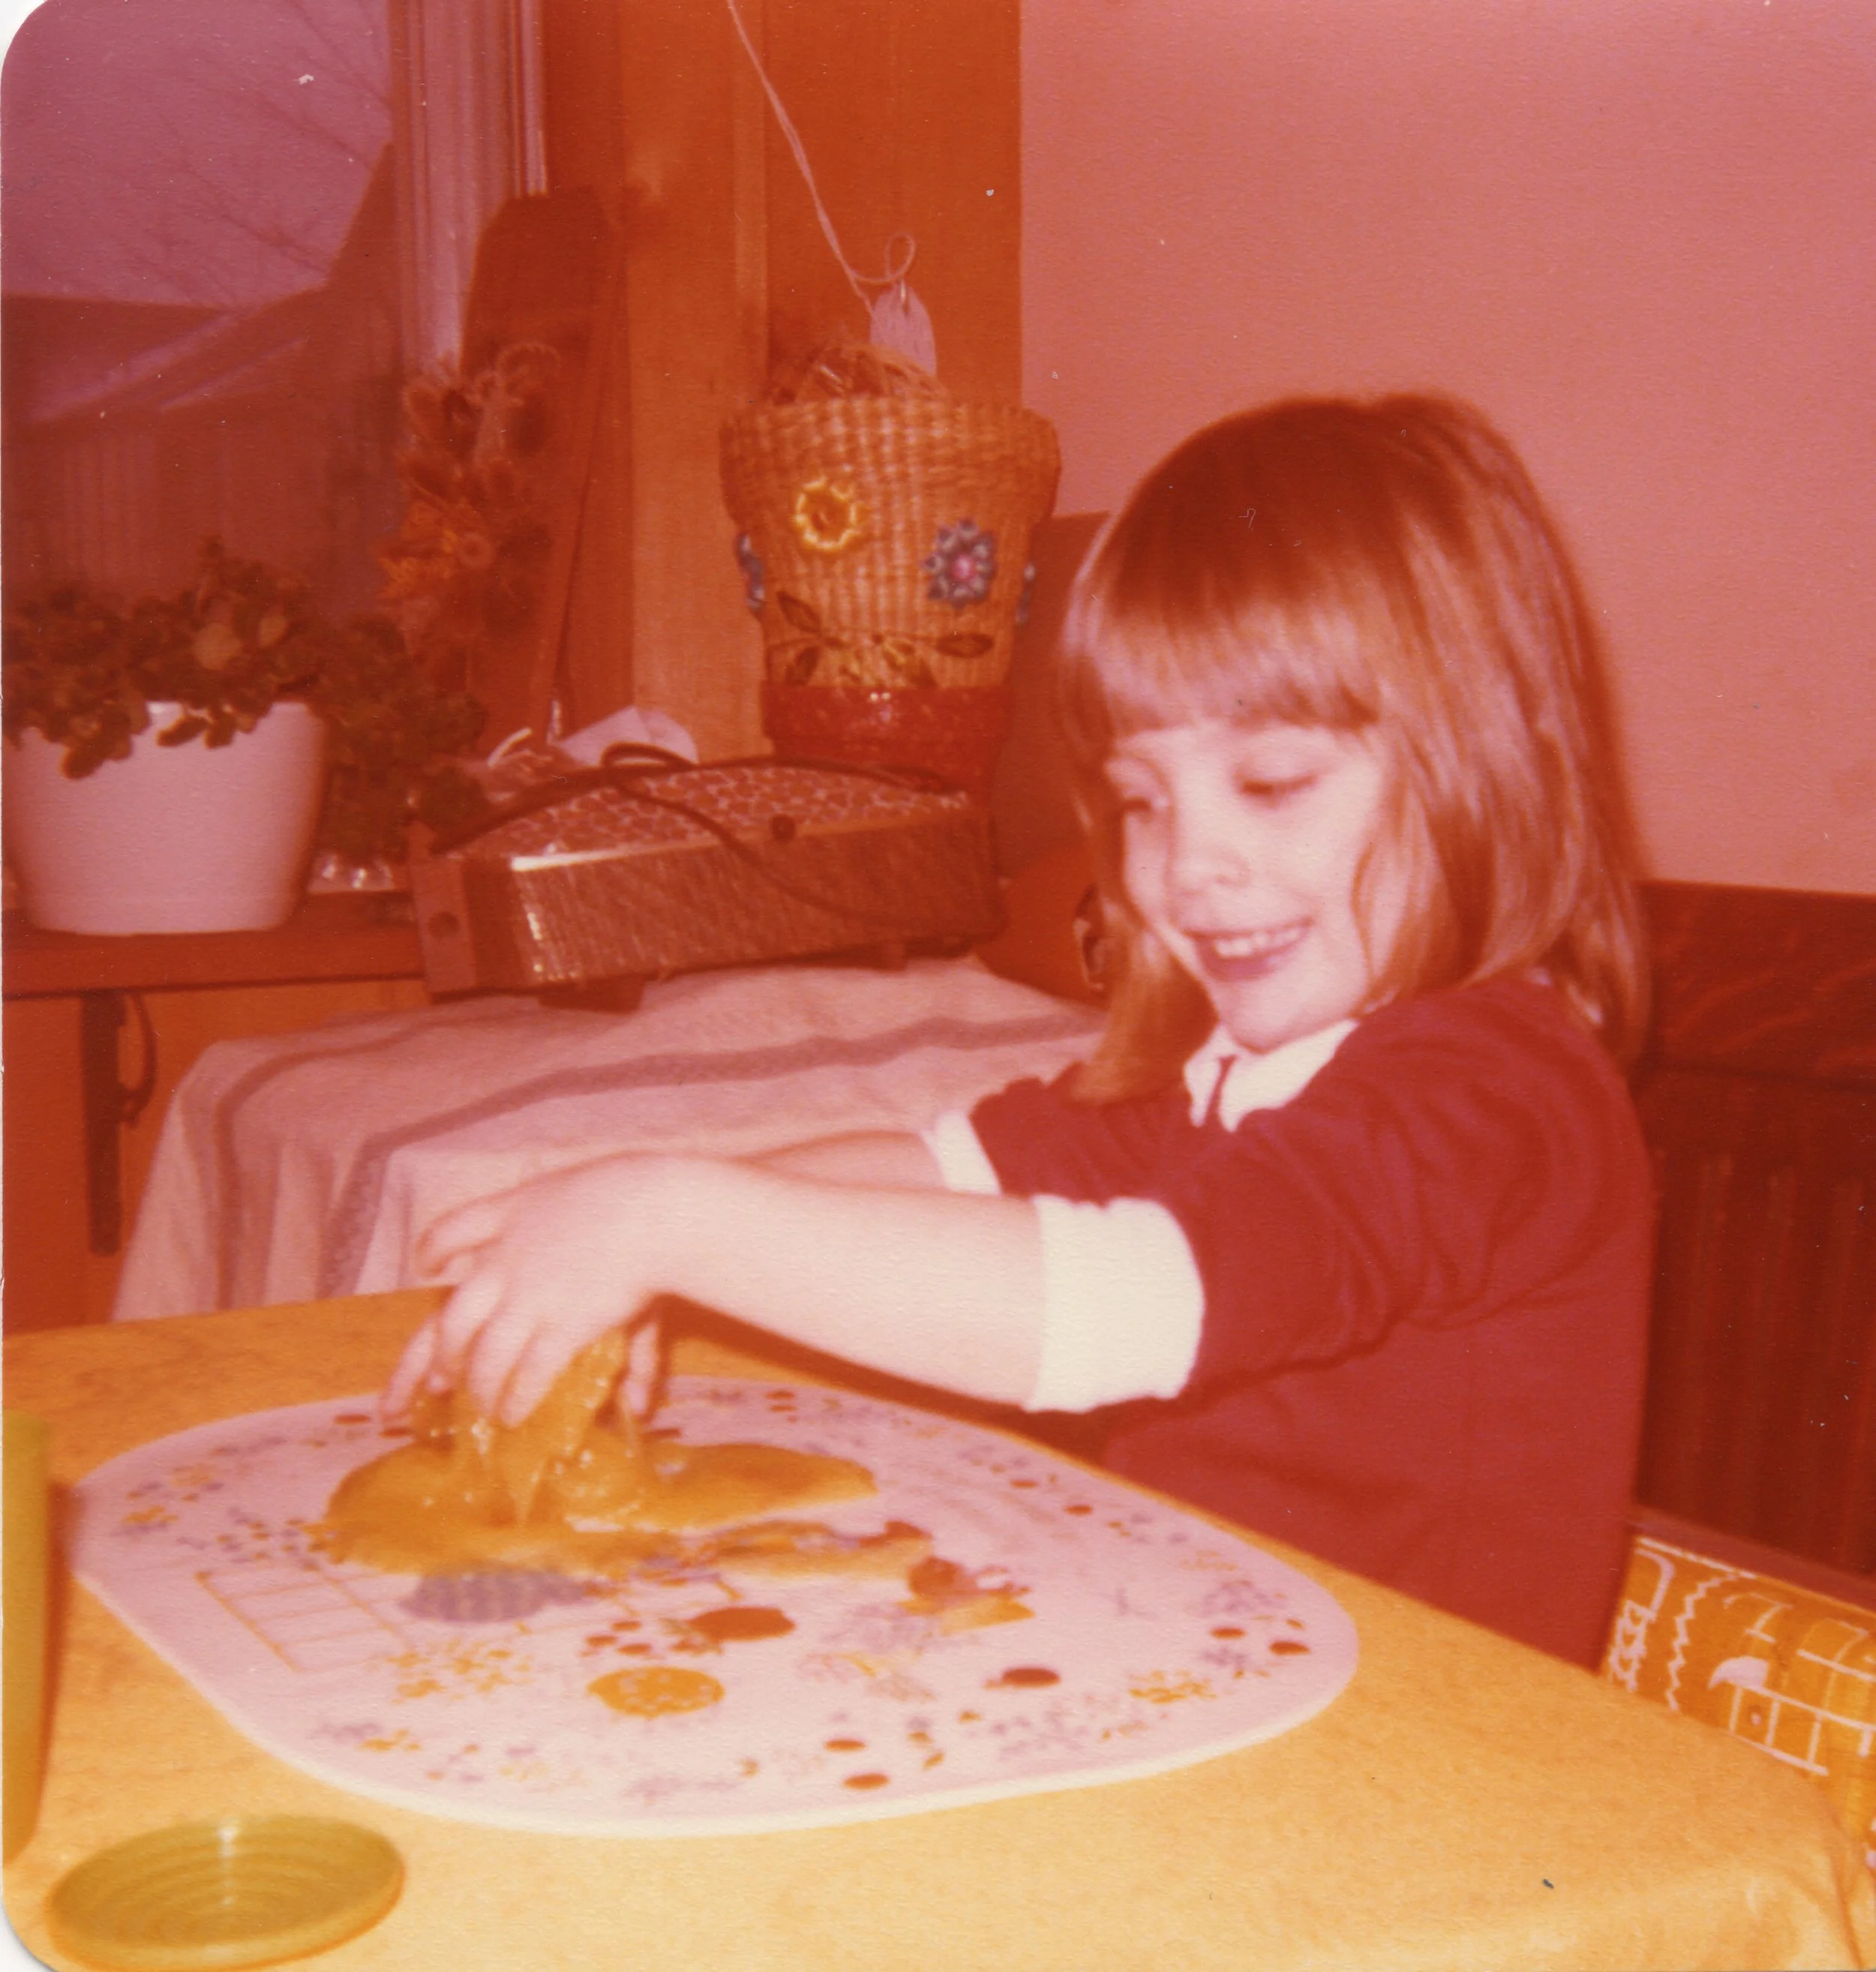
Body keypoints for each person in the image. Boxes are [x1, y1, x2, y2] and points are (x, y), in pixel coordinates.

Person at [386, 393, 1653, 1667]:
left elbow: (1135, 1298)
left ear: (1486, 763)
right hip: (1232, 1692)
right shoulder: (1241, 1076)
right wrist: (650, 1229)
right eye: (1142, 801)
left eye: (1272, 784)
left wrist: (675, 1222)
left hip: (1426, 1786)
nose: (1189, 863)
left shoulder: (1492, 1090)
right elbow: (948, 1167)